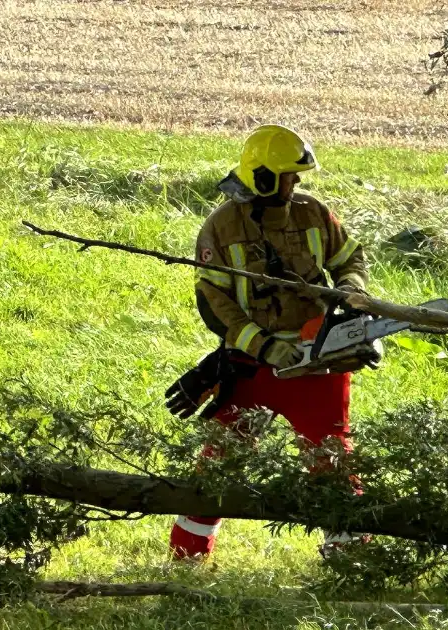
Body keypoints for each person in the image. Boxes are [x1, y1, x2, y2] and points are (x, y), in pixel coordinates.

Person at [168, 124, 370, 561]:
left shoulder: (314, 214)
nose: (296, 183)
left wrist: (351, 290)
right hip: (251, 368)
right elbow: (214, 303)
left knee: (331, 461)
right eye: (288, 175)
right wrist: (262, 346)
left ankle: (351, 561)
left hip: (318, 365)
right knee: (220, 464)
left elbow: (350, 256)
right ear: (262, 177)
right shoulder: (221, 228)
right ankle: (188, 557)